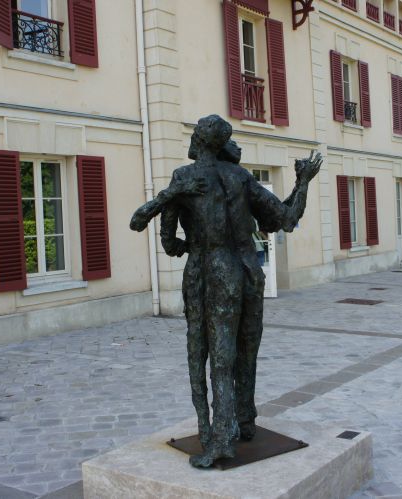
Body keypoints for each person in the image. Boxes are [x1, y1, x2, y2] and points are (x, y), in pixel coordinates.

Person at [131, 115, 321, 468]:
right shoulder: (242, 177)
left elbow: (169, 242)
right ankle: (244, 420)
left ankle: (220, 439)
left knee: (218, 355)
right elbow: (284, 218)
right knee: (246, 349)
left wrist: (192, 246)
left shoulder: (184, 178)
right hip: (249, 271)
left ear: (199, 142)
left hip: (212, 270)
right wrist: (303, 182)